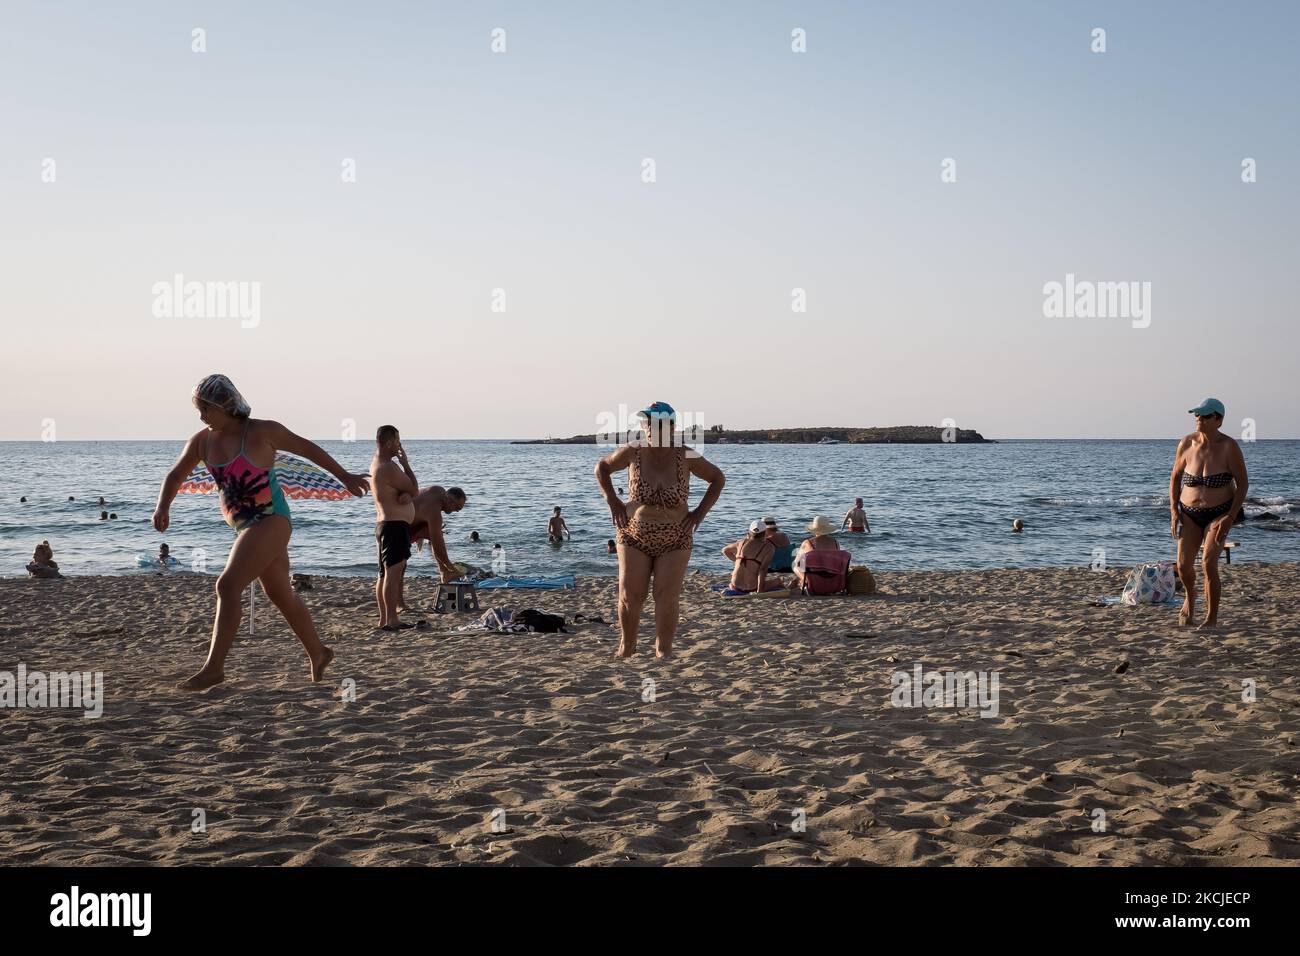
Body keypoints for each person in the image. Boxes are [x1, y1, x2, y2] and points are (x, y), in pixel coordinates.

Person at [153, 374, 369, 690]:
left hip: (271, 520)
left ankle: (214, 668)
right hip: (246, 525)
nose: (202, 417)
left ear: (225, 406)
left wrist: (345, 477)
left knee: (227, 586)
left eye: (206, 410)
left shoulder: (262, 432)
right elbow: (175, 475)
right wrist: (163, 507)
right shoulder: (202, 440)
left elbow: (307, 448)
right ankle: (318, 652)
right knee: (279, 593)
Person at [595, 401, 725, 658]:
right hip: (633, 534)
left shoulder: (686, 454)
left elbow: (717, 479)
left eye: (656, 423)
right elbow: (602, 468)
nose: (650, 428)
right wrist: (613, 500)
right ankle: (627, 646)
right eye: (647, 423)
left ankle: (663, 651)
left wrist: (699, 513)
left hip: (675, 537)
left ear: (672, 427)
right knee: (630, 594)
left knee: (665, 595)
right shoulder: (633, 451)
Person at [1170, 398, 1248, 629]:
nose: (1198, 419)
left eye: (1204, 416)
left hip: (1219, 514)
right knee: (1183, 566)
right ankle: (1190, 597)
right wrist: (1174, 510)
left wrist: (1230, 517)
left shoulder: (1229, 447)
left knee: (1208, 563)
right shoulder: (1186, 443)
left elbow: (1242, 484)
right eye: (1197, 415)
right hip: (1189, 514)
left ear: (1218, 420)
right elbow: (1175, 478)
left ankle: (1211, 618)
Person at [370, 425, 419, 631]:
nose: (400, 444)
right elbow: (414, 487)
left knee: (383, 574)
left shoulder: (376, 462)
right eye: (398, 441)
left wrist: (407, 494)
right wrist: (406, 464)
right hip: (394, 527)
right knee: (393, 574)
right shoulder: (389, 466)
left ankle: (384, 619)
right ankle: (392, 619)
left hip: (384, 525)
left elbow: (407, 491)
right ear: (390, 442)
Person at [410, 485, 469, 583]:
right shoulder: (434, 512)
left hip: (403, 522)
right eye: (457, 508)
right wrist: (450, 566)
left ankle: (444, 572)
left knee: (436, 534)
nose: (457, 511)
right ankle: (446, 571)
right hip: (399, 529)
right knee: (437, 537)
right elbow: (438, 544)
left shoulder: (437, 490)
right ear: (450, 501)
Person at [722, 520, 783, 593]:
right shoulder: (768, 547)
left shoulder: (741, 542)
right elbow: (762, 570)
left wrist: (737, 561)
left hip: (735, 586)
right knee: (779, 581)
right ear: (764, 533)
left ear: (749, 532)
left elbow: (725, 551)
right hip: (751, 588)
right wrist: (760, 590)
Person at [793, 515, 847, 592]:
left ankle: (804, 581)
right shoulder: (835, 543)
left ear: (814, 529)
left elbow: (798, 563)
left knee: (795, 565)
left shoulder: (808, 543)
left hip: (814, 584)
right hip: (834, 583)